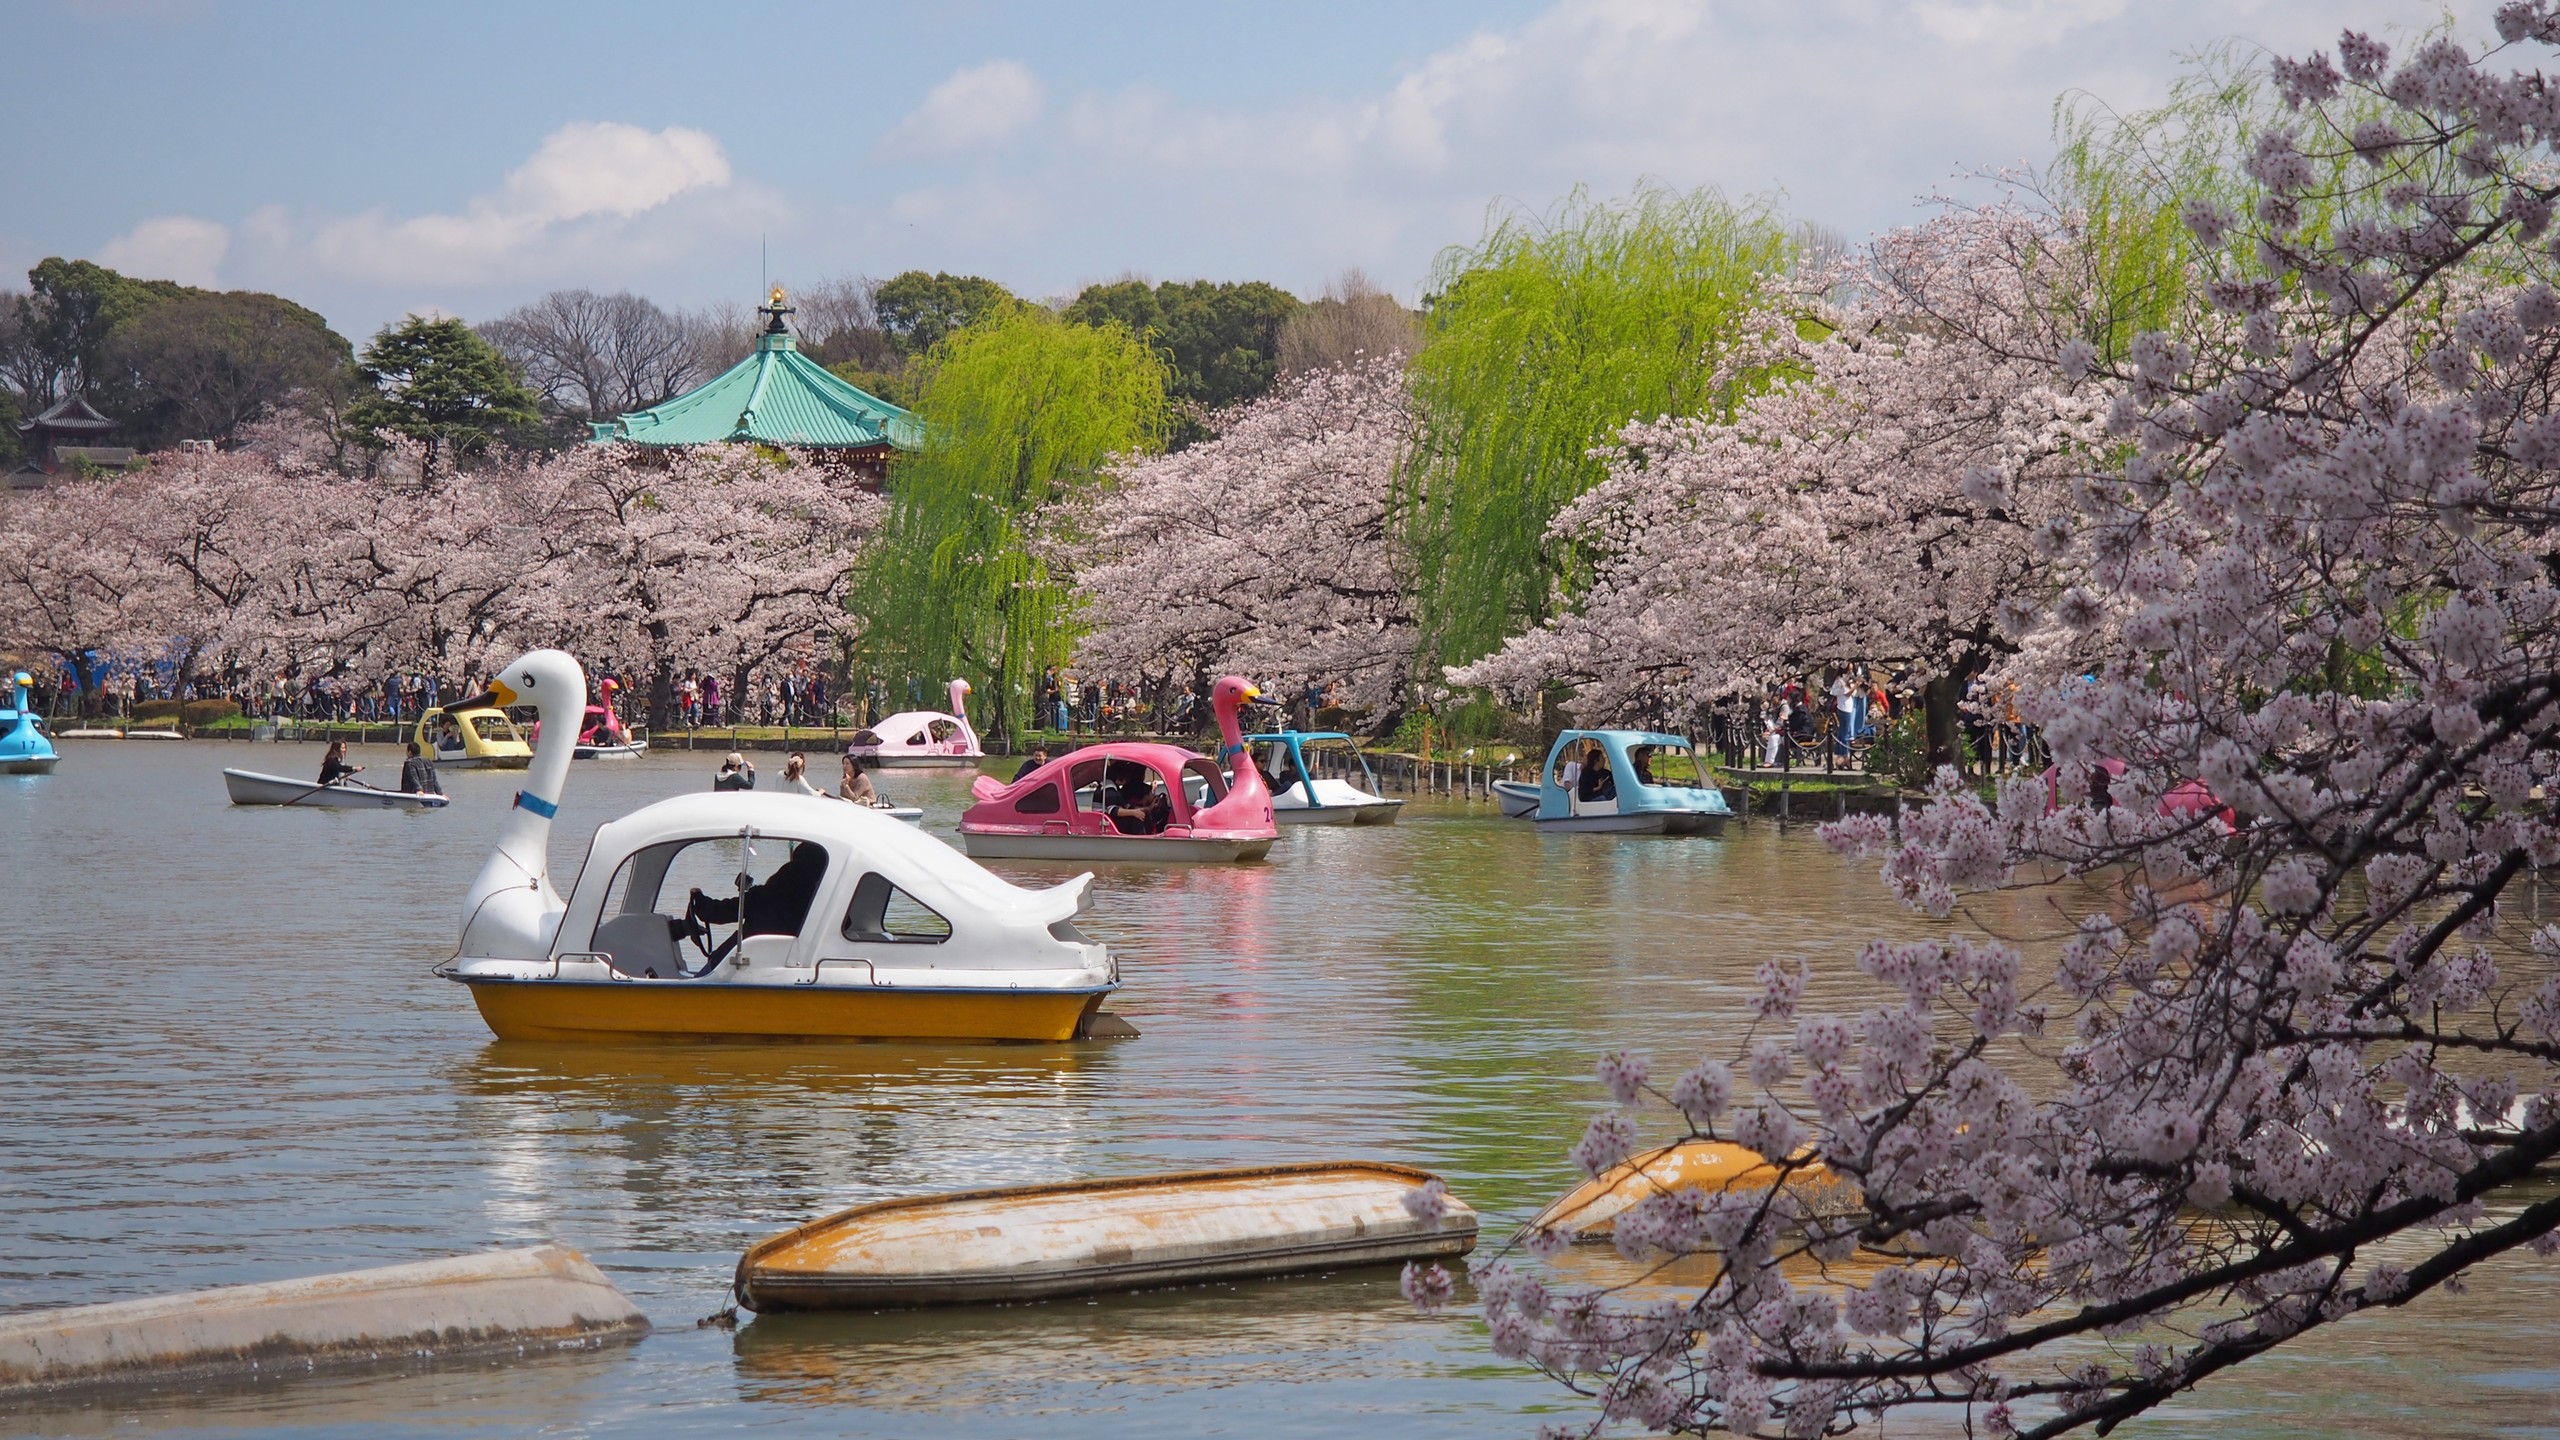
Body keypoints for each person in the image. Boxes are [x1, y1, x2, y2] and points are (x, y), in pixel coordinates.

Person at [686, 841, 830, 963]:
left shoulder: (763, 897)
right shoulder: (824, 905)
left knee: (715, 962)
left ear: (784, 872)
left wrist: (698, 897)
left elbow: (714, 913)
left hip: (746, 963)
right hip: (792, 965)